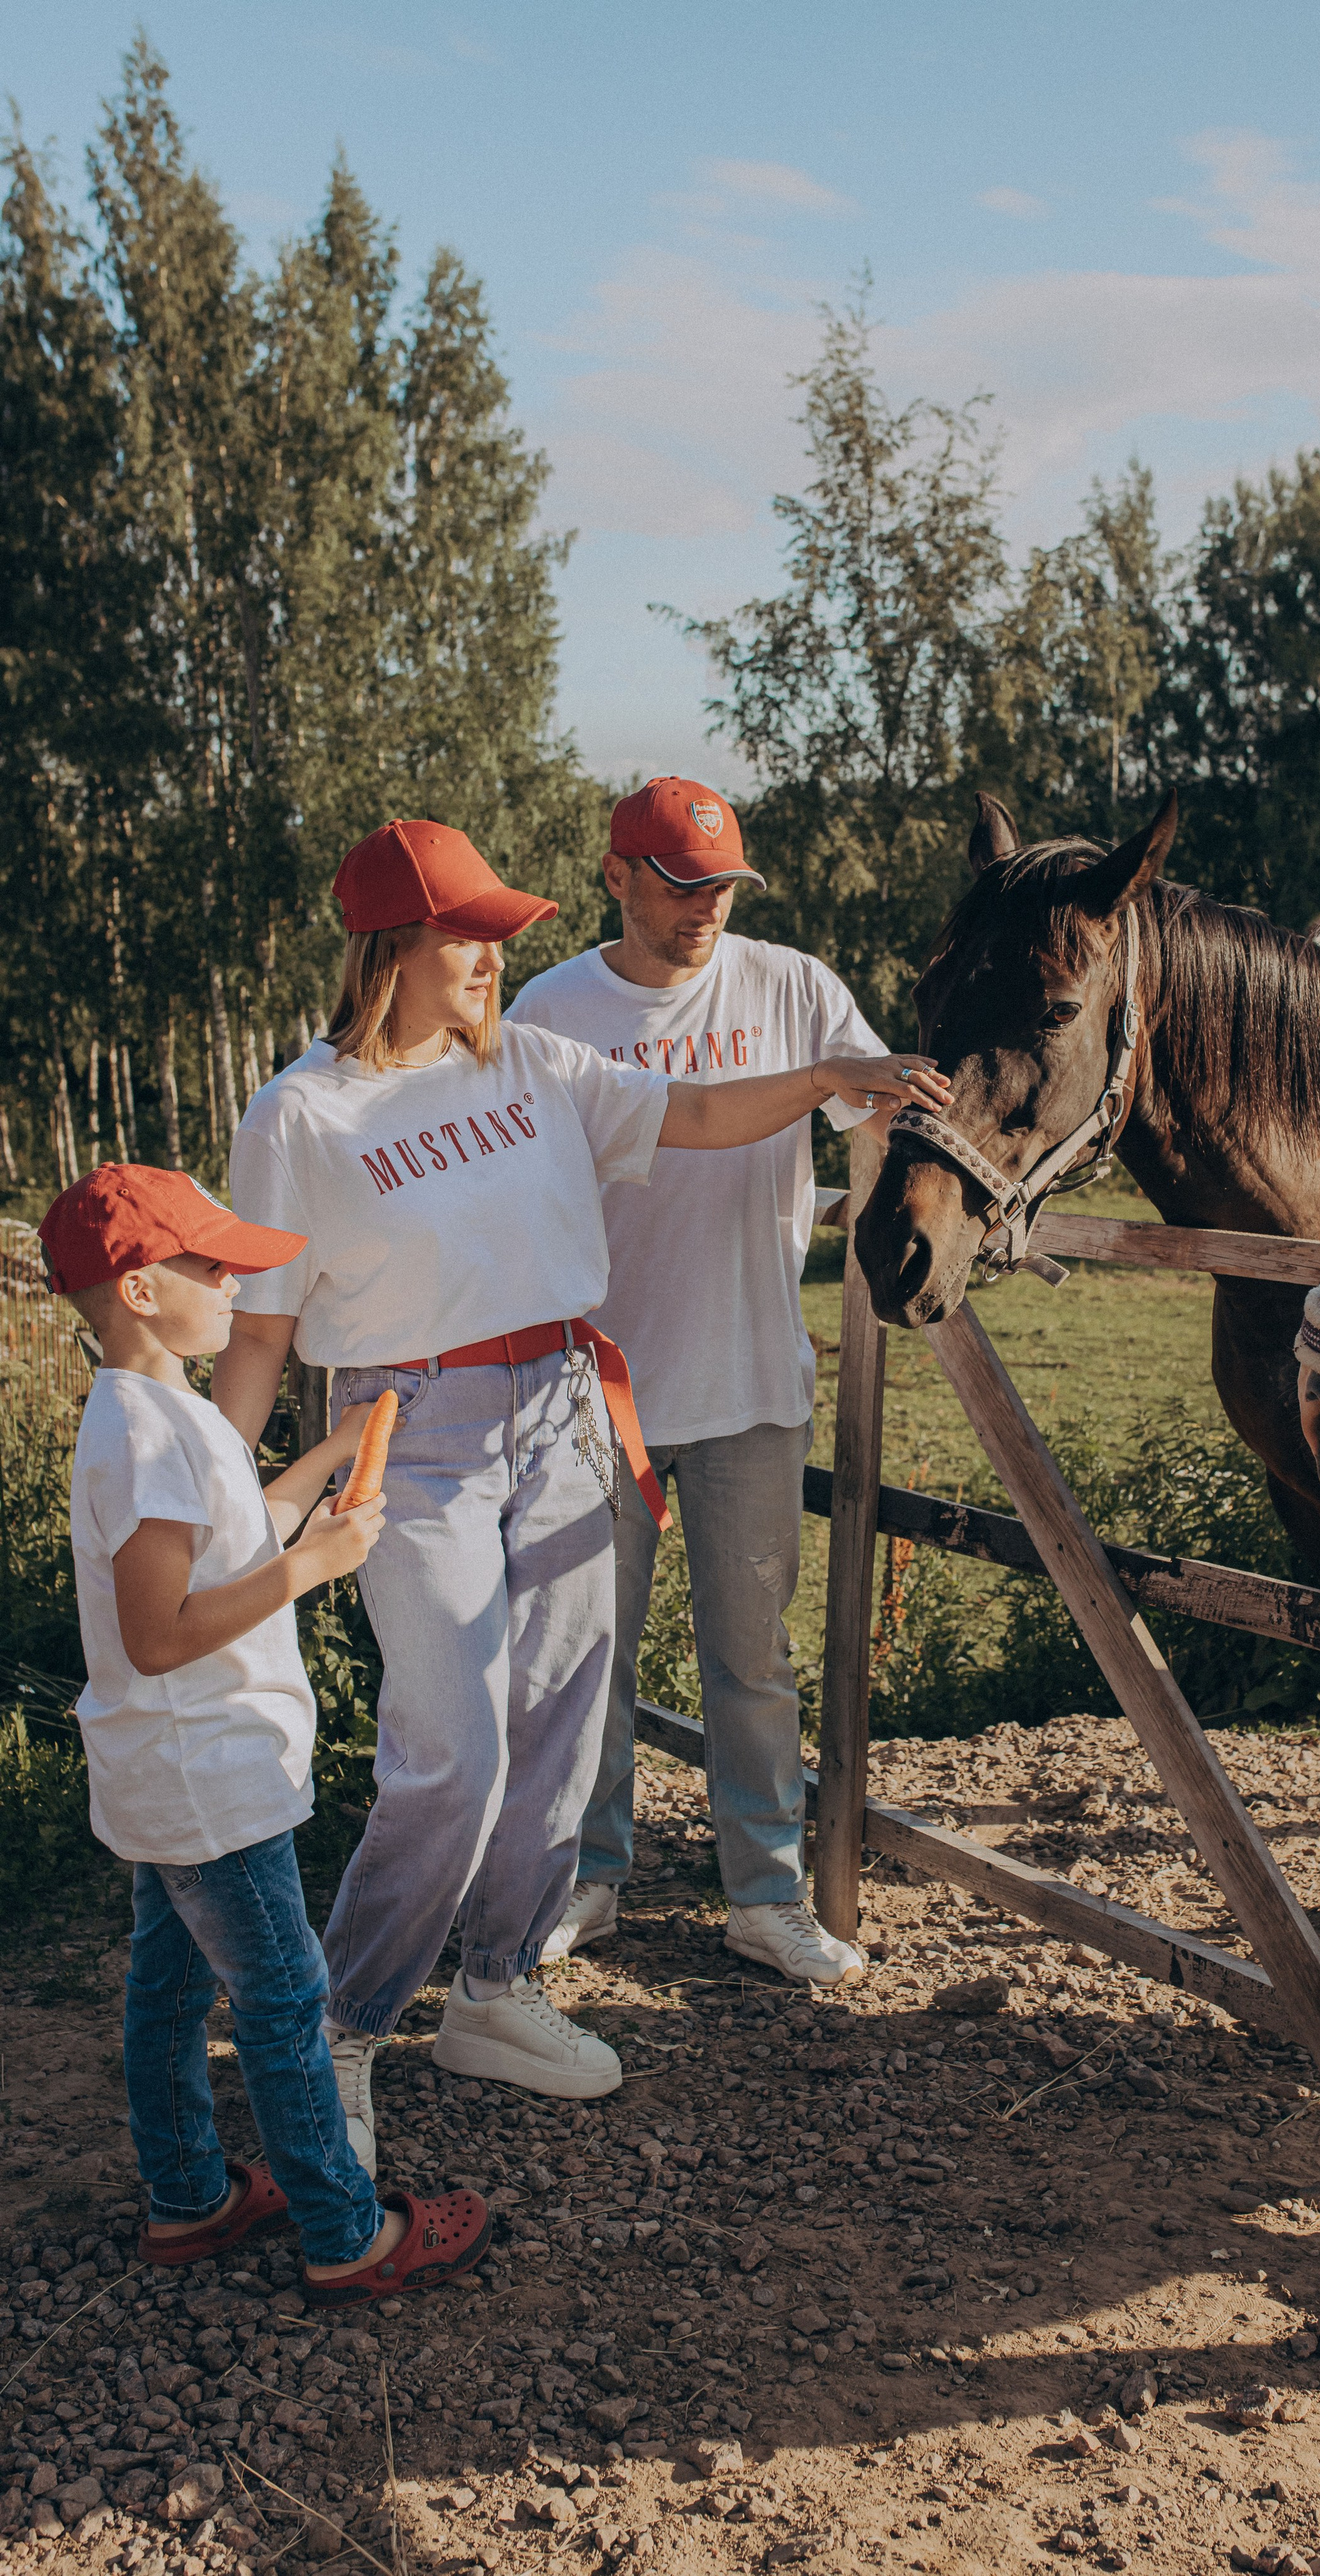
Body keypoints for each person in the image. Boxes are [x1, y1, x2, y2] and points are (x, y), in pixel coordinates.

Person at [213, 816, 948, 2175]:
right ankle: (342, 2028)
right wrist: (215, 1501)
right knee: (453, 1748)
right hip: (407, 1432)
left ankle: (495, 1990)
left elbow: (704, 1115)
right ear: (392, 948)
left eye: (501, 932)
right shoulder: (301, 1113)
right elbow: (259, 1328)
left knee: (556, 1727)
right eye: (467, 934)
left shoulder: (542, 1063)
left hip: (561, 1410)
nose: (496, 956)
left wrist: (836, 1074)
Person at [46, 1165, 491, 2306]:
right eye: (211, 1265)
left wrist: (333, 1459)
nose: (237, 1283)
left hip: (168, 1777)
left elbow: (233, 1545)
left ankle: (190, 2198)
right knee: (287, 2002)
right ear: (141, 1292)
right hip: (212, 1780)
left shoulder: (153, 1418)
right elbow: (159, 1632)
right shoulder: (152, 1440)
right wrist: (314, 1569)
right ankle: (349, 2233)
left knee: (166, 1991)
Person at [511, 776, 890, 1986]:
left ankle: (765, 1897)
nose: (704, 910)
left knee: (753, 1658)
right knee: (585, 1664)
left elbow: (879, 1119)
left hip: (750, 1385)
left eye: (722, 886)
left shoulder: (795, 987)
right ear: (618, 876)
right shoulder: (550, 1010)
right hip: (592, 1395)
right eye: (680, 886)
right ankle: (588, 1881)